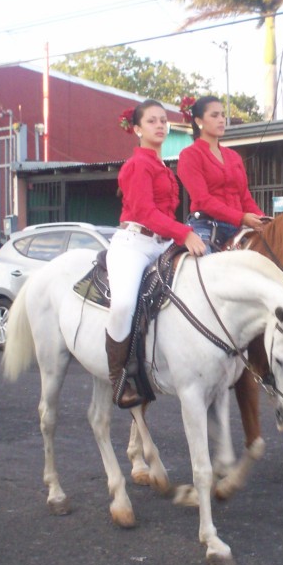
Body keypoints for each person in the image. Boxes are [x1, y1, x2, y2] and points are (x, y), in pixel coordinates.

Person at [107, 99, 206, 408]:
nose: (160, 125)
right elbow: (146, 213)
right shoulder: (136, 165)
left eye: (163, 120)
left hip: (161, 242)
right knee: (123, 304)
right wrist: (184, 233)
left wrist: (183, 232)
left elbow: (165, 214)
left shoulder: (164, 167)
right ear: (137, 129)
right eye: (152, 121)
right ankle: (118, 378)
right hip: (134, 244)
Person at [176, 95, 269, 252]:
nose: (221, 120)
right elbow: (203, 199)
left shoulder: (234, 156)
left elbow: (245, 197)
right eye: (214, 115)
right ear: (199, 121)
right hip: (206, 226)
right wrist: (242, 217)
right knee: (205, 270)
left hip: (238, 227)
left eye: (223, 115)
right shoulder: (189, 155)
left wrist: (263, 220)